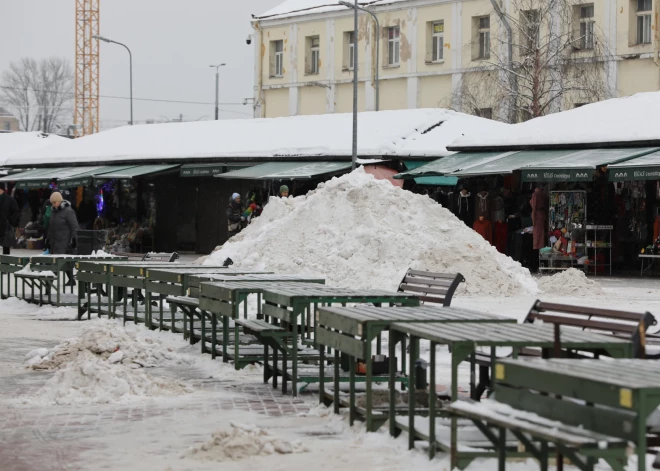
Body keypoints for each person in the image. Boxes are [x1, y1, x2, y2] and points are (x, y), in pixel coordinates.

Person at [46, 192, 79, 286]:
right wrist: (48, 239)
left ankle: (48, 285)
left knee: (56, 264)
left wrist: (74, 239)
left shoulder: (69, 211)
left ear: (60, 201)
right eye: (52, 203)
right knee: (63, 263)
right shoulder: (54, 212)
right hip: (55, 242)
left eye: (54, 202)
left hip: (65, 242)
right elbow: (51, 227)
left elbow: (75, 227)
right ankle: (71, 280)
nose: (53, 205)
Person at [0, 184, 19, 255]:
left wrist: (10, 221)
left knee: (6, 247)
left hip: (5, 227)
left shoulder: (10, 199)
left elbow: (16, 211)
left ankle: (5, 264)